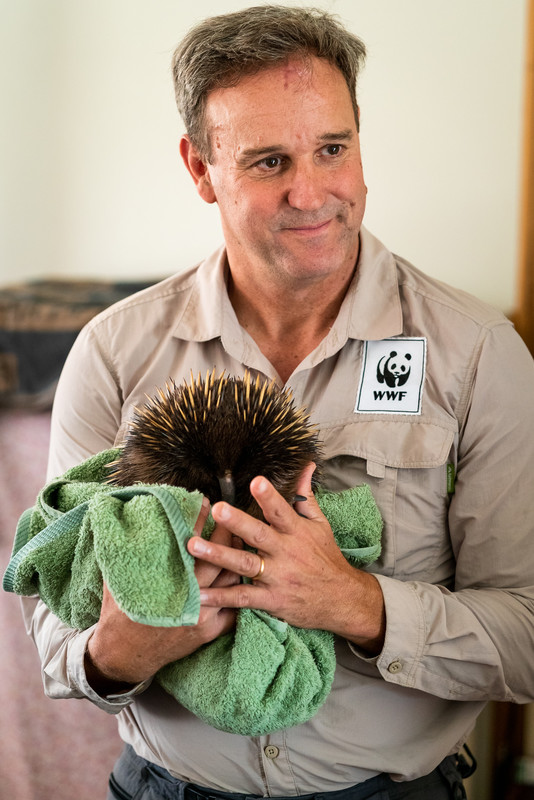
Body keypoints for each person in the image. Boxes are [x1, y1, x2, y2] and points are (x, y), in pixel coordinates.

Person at [21, 5, 534, 799]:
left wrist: (358, 605)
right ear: (201, 170)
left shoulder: (475, 354)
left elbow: (527, 637)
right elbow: (56, 641)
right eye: (267, 162)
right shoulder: (116, 353)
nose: (312, 192)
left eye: (333, 148)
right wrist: (124, 647)